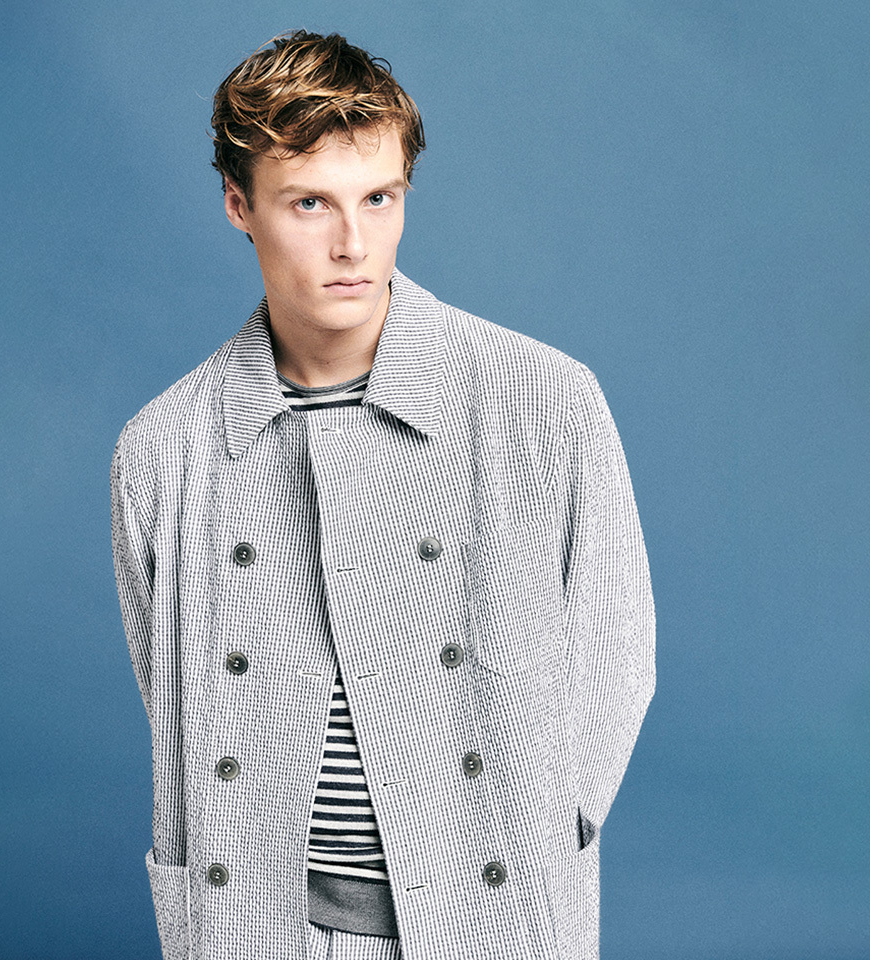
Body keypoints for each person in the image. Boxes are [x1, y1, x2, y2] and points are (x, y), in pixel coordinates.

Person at [110, 28, 655, 960]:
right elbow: (178, 704)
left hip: (489, 902)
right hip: (259, 923)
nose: (352, 244)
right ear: (240, 205)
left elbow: (616, 653)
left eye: (379, 198)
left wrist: (538, 827)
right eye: (309, 203)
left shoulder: (543, 401)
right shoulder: (164, 450)